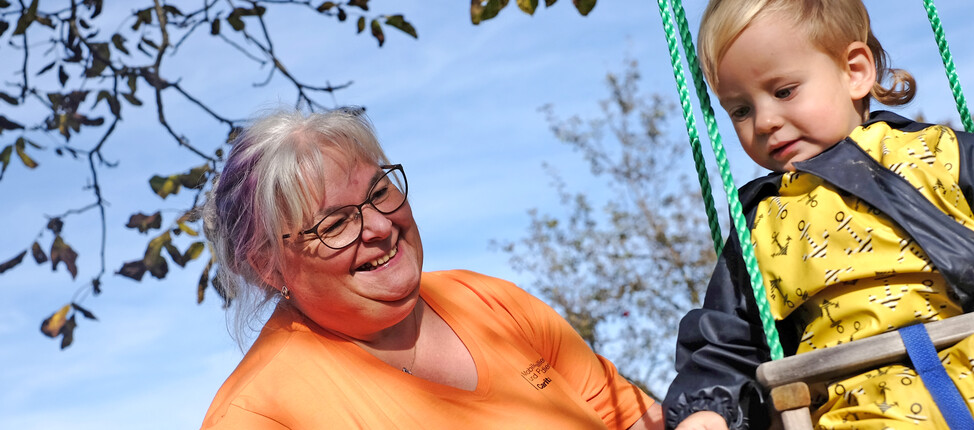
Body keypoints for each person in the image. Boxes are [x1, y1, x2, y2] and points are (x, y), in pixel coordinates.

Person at [663, 1, 974, 429]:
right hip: (865, 403)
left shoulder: (942, 153)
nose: (764, 121)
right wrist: (707, 405)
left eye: (784, 91)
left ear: (855, 71)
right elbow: (729, 335)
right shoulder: (759, 221)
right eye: (741, 110)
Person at [198, 107, 663, 429]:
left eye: (379, 192)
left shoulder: (486, 301)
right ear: (269, 268)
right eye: (336, 224)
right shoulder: (261, 413)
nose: (381, 225)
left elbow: (625, 417)